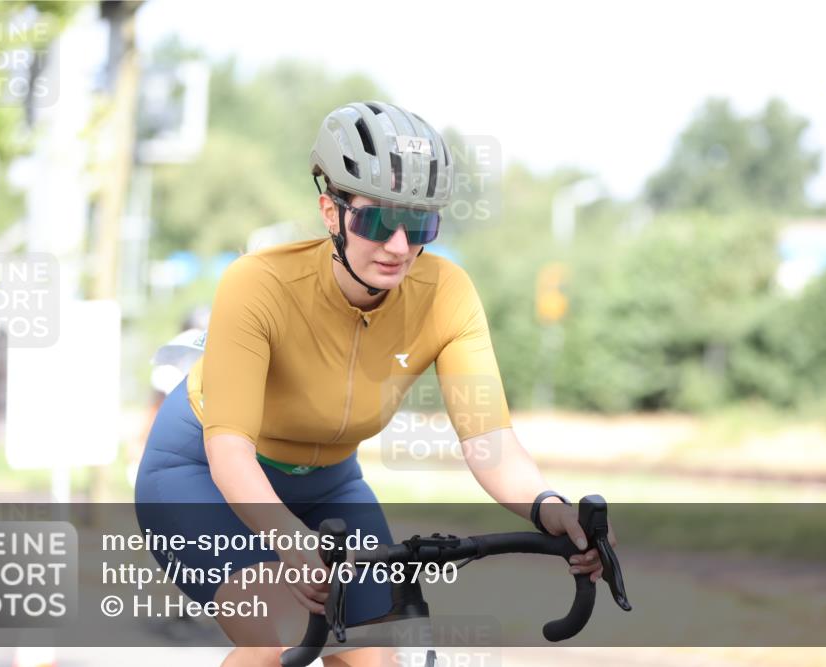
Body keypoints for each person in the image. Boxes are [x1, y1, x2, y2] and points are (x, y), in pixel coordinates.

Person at [135, 101, 615, 667]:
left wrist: (548, 507)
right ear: (330, 212)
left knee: (375, 656)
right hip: (201, 475)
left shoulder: (447, 294)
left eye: (420, 225)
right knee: (280, 636)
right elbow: (229, 453)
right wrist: (289, 540)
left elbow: (490, 442)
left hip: (330, 489)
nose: (399, 247)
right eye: (378, 222)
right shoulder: (258, 283)